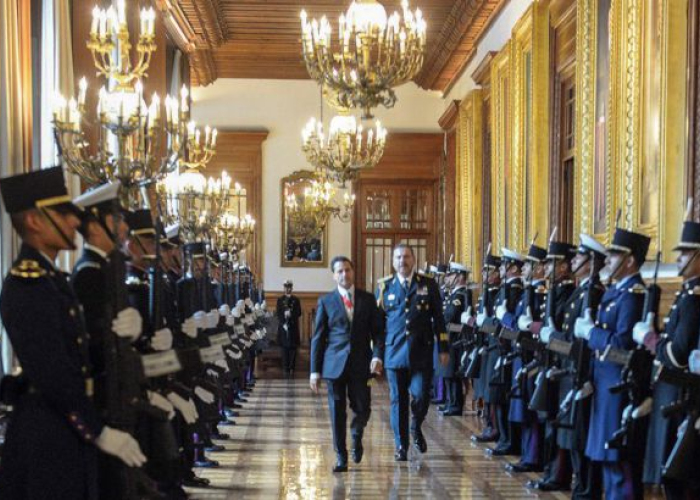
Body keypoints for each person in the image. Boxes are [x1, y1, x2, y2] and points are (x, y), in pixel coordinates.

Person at [0, 167, 145, 499]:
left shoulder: (53, 280)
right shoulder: (27, 284)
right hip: (46, 433)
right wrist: (97, 431)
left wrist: (127, 330)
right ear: (35, 221)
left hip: (66, 427)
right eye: (62, 216)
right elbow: (53, 372)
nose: (73, 223)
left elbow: (83, 351)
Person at [575, 227, 650, 500]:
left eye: (615, 255)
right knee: (606, 457)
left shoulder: (633, 294)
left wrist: (590, 333)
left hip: (619, 386)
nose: (608, 260)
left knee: (618, 459)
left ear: (630, 260)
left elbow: (621, 348)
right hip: (604, 383)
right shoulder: (618, 292)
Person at [633, 214, 700, 499]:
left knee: (681, 477)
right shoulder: (687, 293)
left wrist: (650, 338)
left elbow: (676, 354)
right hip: (670, 392)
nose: (681, 258)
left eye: (686, 252)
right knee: (670, 475)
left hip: (681, 395)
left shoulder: (694, 297)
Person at [309, 256, 385, 472]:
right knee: (337, 412)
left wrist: (377, 356)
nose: (345, 274)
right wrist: (314, 371)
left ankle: (356, 433)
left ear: (353, 271)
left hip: (362, 364)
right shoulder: (326, 301)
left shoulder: (368, 299)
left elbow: (379, 333)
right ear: (334, 275)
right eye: (340, 271)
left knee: (363, 408)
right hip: (334, 366)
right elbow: (318, 338)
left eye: (348, 270)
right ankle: (341, 455)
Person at [377, 244, 449, 461]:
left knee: (420, 395)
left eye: (406, 257)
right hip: (394, 353)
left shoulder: (428, 284)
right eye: (398, 257)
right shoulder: (384, 287)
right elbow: (379, 326)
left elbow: (439, 319)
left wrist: (443, 347)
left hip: (422, 352)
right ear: (393, 261)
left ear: (414, 259)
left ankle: (415, 426)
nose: (402, 261)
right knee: (398, 401)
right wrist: (377, 355)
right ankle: (401, 446)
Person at [439, 262, 473, 416]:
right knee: (447, 372)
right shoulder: (454, 294)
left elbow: (450, 315)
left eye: (452, 275)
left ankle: (455, 405)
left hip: (456, 339)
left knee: (452, 373)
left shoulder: (460, 296)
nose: (449, 277)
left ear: (460, 277)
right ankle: (449, 402)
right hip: (448, 337)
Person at [277, 280, 302, 376]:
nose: (288, 289)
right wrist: (283, 321)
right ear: (284, 288)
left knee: (293, 348)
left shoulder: (296, 300)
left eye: (289, 287)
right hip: (283, 327)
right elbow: (278, 313)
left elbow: (299, 313)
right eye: (286, 287)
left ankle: (292, 368)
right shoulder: (280, 299)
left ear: (292, 288)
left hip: (293, 327)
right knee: (284, 349)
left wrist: (291, 314)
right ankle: (285, 367)